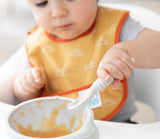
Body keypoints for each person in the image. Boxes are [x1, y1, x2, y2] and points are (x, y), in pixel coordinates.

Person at [11, 0, 160, 123]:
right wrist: (25, 88)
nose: (58, 12)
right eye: (41, 3)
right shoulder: (36, 43)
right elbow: (20, 98)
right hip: (60, 131)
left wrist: (126, 51)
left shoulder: (116, 25)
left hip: (118, 128)